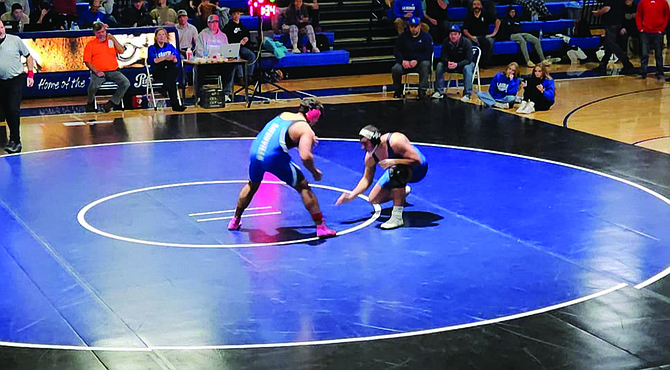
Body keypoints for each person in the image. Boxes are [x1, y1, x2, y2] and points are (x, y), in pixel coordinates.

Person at [227, 98, 337, 238]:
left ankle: (235, 220)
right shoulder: (305, 129)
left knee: (252, 184)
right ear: (313, 115)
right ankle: (321, 227)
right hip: (273, 157)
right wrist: (314, 171)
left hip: (255, 151)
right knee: (303, 186)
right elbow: (305, 156)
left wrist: (305, 138)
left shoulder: (284, 115)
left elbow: (282, 137)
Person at [335, 125, 428, 230]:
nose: (362, 147)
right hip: (396, 167)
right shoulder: (370, 156)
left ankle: (397, 217)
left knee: (396, 171)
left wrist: (394, 161)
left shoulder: (395, 141)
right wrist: (351, 196)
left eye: (365, 143)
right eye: (361, 143)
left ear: (374, 140)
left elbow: (416, 160)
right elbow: (366, 179)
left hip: (418, 169)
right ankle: (402, 192)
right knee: (373, 199)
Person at [0, 19, 34, 153]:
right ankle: (12, 139)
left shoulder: (15, 40)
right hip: (1, 81)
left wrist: (30, 74)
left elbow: (28, 56)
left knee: (14, 109)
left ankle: (17, 141)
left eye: (2, 27)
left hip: (15, 79)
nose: (1, 30)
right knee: (7, 110)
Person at [83, 21, 130, 112]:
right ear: (95, 33)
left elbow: (121, 51)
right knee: (93, 86)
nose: (101, 34)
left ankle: (112, 103)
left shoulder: (111, 41)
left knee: (125, 83)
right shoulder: (91, 44)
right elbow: (87, 61)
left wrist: (113, 38)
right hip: (99, 71)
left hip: (113, 70)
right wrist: (96, 71)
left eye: (102, 32)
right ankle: (90, 102)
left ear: (105, 31)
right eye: (98, 33)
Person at [391, 16, 433, 99]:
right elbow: (397, 51)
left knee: (425, 65)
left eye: (415, 26)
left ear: (420, 26)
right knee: (395, 69)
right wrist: (402, 61)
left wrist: (417, 60)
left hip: (419, 63)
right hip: (406, 63)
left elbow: (428, 53)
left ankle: (422, 91)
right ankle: (398, 90)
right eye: (411, 26)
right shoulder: (403, 37)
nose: (413, 29)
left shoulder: (426, 37)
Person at [195, 14, 234, 101]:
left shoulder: (223, 36)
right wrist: (208, 57)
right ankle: (200, 95)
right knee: (198, 69)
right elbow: (199, 50)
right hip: (206, 63)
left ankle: (226, 93)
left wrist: (222, 57)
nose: (215, 24)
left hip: (219, 63)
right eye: (212, 22)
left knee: (230, 67)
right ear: (208, 23)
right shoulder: (202, 35)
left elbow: (226, 51)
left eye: (216, 21)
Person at [590, 0, 636, 75]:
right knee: (609, 45)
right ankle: (603, 65)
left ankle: (627, 63)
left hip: (611, 22)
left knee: (611, 43)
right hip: (619, 21)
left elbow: (607, 8)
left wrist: (598, 13)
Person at [147, 27, 187, 111]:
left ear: (166, 36)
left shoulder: (170, 46)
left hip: (169, 69)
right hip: (158, 70)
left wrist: (171, 59)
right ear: (156, 37)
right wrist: (165, 58)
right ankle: (175, 105)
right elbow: (154, 61)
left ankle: (164, 88)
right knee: (171, 80)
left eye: (163, 34)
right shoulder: (152, 48)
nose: (162, 37)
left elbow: (175, 59)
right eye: (159, 35)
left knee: (174, 71)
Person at [433, 24, 475, 101]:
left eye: (455, 34)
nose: (453, 36)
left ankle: (467, 94)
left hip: (464, 63)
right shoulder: (446, 42)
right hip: (451, 64)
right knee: (439, 65)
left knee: (467, 68)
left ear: (460, 35)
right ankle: (439, 91)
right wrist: (447, 62)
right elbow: (443, 56)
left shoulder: (467, 42)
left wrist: (457, 64)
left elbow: (469, 59)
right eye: (451, 34)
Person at [635, 0, 669, 80]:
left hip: (658, 32)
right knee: (644, 53)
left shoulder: (663, 2)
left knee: (658, 54)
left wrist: (662, 29)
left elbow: (667, 16)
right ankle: (643, 71)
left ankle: (659, 72)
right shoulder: (643, 2)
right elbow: (639, 15)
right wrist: (640, 28)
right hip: (645, 32)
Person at [462, 0, 500, 68]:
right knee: (467, 43)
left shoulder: (486, 14)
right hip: (473, 36)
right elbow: (465, 30)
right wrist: (471, 37)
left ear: (481, 5)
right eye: (474, 4)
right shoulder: (469, 15)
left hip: (484, 36)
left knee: (490, 41)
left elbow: (498, 21)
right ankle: (472, 63)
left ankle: (485, 64)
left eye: (478, 4)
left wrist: (494, 33)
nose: (476, 6)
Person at [223, 7, 255, 85]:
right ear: (231, 16)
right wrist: (238, 42)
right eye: (234, 14)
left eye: (238, 14)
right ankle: (240, 77)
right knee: (237, 56)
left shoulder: (243, 27)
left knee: (252, 55)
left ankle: (249, 75)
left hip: (243, 47)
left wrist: (246, 39)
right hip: (233, 47)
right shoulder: (228, 27)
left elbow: (247, 35)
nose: (236, 16)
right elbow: (227, 39)